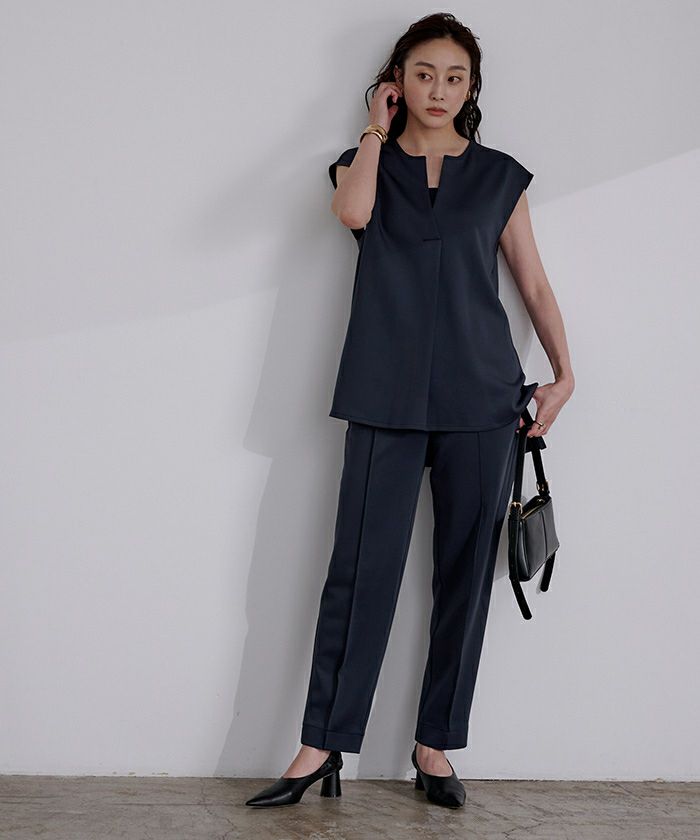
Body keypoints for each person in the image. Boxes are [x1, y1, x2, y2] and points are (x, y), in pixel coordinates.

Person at [246, 12, 574, 809]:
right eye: (424, 74)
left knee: (464, 577)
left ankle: (435, 746)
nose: (439, 89)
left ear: (471, 88)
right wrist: (373, 129)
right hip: (382, 393)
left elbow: (532, 283)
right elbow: (353, 215)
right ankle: (322, 744)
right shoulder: (362, 166)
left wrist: (564, 375)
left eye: (455, 77)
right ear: (397, 82)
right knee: (359, 573)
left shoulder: (500, 177)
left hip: (482, 397)